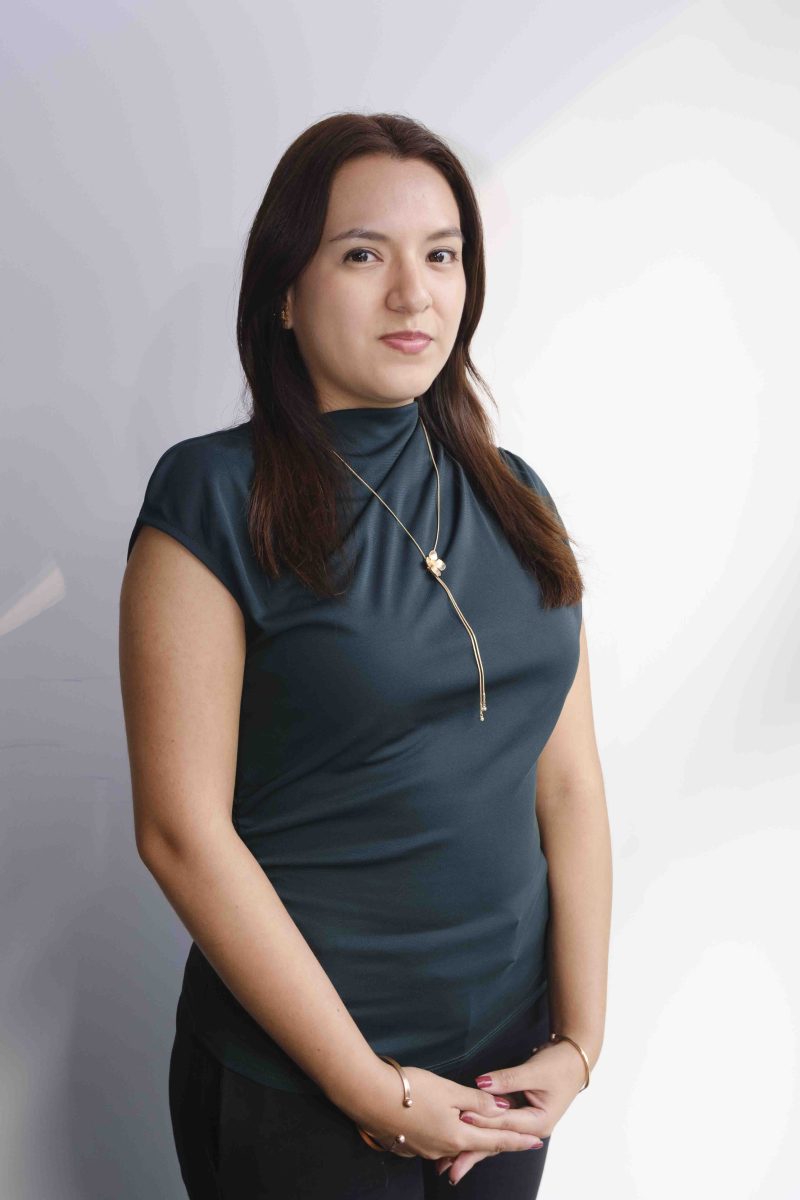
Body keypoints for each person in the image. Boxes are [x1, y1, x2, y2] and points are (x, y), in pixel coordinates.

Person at [119, 111, 612, 1199]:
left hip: (500, 1079)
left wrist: (579, 1042)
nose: (413, 294)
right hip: (304, 1091)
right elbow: (179, 832)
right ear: (284, 295)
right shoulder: (213, 498)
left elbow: (569, 785)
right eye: (361, 255)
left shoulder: (515, 494)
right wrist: (370, 1092)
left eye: (441, 255)